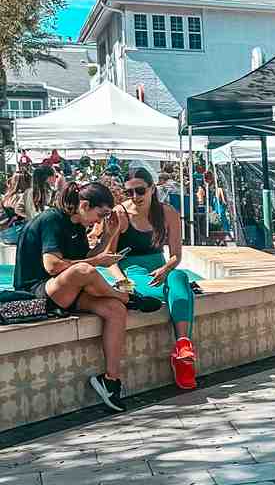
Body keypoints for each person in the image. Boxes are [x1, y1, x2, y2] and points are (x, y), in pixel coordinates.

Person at [13, 180, 156, 412]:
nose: (100, 221)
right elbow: (53, 266)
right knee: (84, 271)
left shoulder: (77, 226)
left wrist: (109, 236)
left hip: (64, 293)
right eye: (100, 214)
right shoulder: (52, 220)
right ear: (85, 205)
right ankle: (130, 298)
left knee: (115, 310)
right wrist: (96, 262)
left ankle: (110, 381)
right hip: (37, 292)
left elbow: (87, 257)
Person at [104, 166, 202, 390]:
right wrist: (123, 283)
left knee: (179, 277)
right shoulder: (120, 214)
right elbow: (109, 259)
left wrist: (166, 268)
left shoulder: (168, 213)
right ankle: (183, 358)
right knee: (180, 292)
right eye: (129, 192)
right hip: (133, 274)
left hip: (161, 270)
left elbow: (176, 255)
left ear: (152, 189)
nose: (135, 197)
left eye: (140, 191)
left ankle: (182, 346)